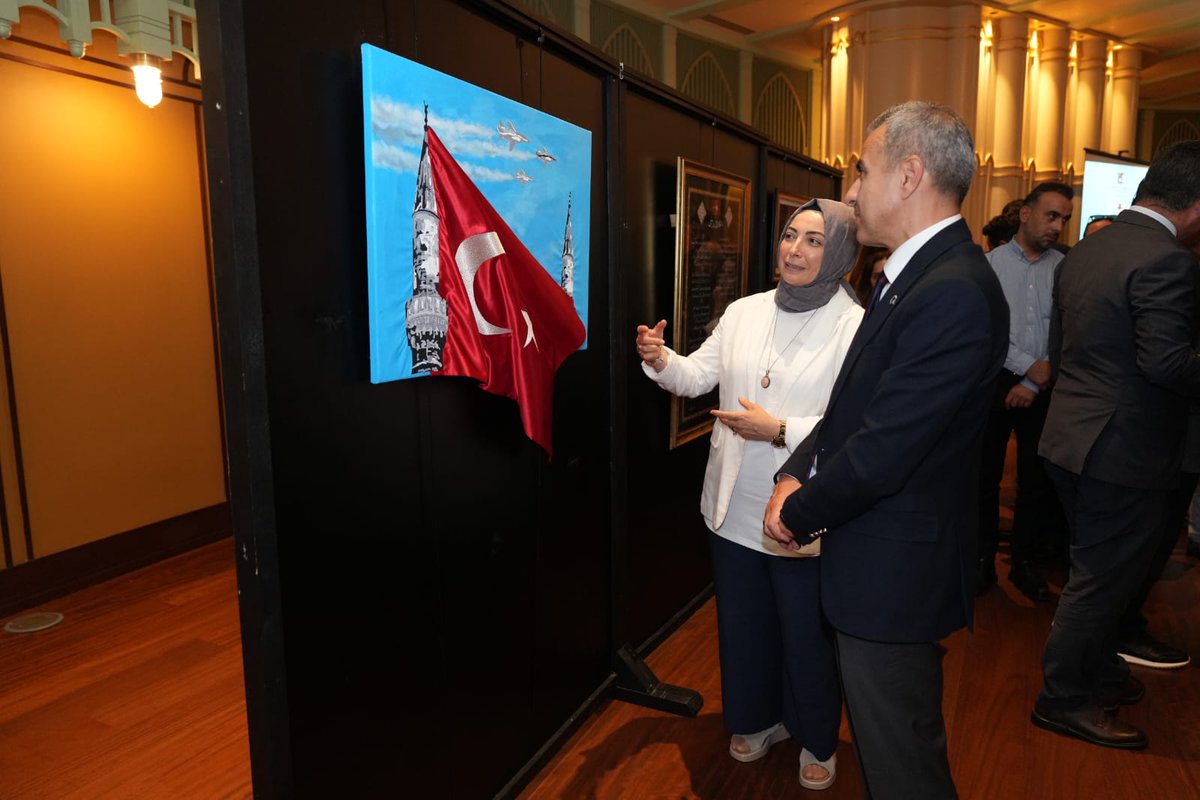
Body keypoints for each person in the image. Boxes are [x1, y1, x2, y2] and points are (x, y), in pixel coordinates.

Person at [763, 101, 1008, 800]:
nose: (851, 191)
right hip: (877, 562)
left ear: (909, 175)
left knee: (903, 766)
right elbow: (852, 410)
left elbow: (884, 450)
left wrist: (796, 509)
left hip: (896, 576)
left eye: (861, 171)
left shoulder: (954, 290)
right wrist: (791, 472)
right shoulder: (916, 277)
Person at [635, 198, 864, 791]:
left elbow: (857, 424)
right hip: (732, 504)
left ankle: (814, 734)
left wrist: (781, 430)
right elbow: (695, 376)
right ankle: (756, 719)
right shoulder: (743, 311)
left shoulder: (854, 326)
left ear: (840, 252)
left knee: (804, 633)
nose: (796, 249)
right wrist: (660, 360)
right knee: (744, 625)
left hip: (800, 510)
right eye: (791, 235)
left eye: (815, 240)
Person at [1034, 140, 1200, 749]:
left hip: (1070, 441)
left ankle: (1096, 669)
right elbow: (1167, 363)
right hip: (1120, 451)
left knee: (1099, 571)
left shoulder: (1089, 249)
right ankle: (1062, 699)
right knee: (1100, 580)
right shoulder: (1170, 261)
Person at [977, 182, 1073, 602]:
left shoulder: (1067, 268)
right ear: (1026, 215)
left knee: (1036, 482)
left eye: (1065, 219)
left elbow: (1069, 328)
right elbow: (985, 332)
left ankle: (1024, 564)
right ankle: (981, 562)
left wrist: (1036, 379)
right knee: (984, 479)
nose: (1058, 226)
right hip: (994, 383)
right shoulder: (990, 266)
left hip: (1046, 386)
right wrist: (1023, 369)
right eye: (1052, 216)